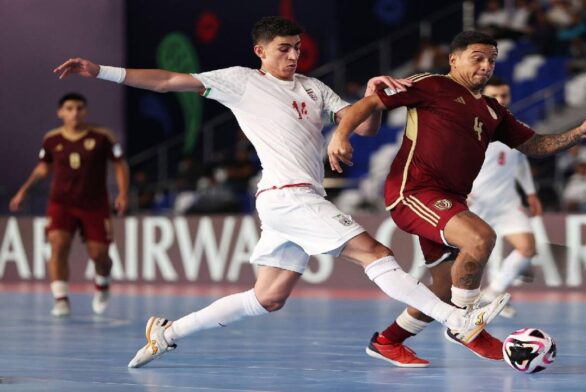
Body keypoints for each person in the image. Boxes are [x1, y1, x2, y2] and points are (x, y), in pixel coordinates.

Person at [53, 17, 509, 369]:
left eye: (297, 49)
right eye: (283, 50)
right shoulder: (240, 80)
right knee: (374, 251)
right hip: (287, 194)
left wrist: (370, 93)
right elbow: (170, 81)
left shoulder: (313, 86)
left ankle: (168, 333)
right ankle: (457, 320)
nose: (293, 56)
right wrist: (102, 71)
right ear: (261, 52)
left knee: (267, 297)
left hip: (294, 200)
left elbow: (363, 125)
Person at [328, 30, 586, 367]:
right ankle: (465, 325)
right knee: (481, 237)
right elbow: (373, 102)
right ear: (454, 60)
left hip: (452, 200)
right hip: (414, 192)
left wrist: (579, 132)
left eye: (492, 60)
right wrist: (340, 135)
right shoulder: (432, 84)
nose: (486, 66)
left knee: (441, 288)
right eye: (478, 58)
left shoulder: (493, 111)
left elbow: (536, 145)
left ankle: (387, 341)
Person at [9, 93, 129, 318]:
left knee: (100, 256)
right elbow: (43, 169)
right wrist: (22, 191)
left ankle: (102, 285)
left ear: (86, 112)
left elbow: (120, 165)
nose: (75, 113)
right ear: (60, 113)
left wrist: (122, 193)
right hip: (61, 203)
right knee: (58, 245)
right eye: (70, 108)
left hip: (94, 204)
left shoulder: (103, 137)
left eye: (79, 108)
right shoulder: (52, 139)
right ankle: (61, 299)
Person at [470, 78, 542, 319]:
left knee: (527, 247)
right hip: (476, 201)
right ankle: (461, 304)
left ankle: (494, 292)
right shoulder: (472, 127)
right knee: (471, 255)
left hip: (508, 202)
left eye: (504, 96)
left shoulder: (516, 127)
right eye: (495, 96)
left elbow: (521, 162)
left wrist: (530, 193)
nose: (500, 101)